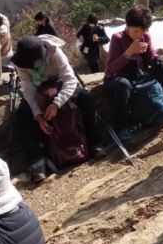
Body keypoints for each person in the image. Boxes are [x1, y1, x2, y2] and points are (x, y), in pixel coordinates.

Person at [12, 36, 106, 182]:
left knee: (85, 98)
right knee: (23, 113)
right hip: (38, 89)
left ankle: (94, 143)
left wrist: (56, 104)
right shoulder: (22, 62)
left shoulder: (54, 51)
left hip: (60, 84)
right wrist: (38, 116)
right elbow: (28, 90)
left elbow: (70, 79)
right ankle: (36, 161)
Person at [104, 5, 163, 143]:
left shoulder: (145, 36)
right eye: (136, 31)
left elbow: (151, 56)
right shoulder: (117, 38)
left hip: (139, 74)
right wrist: (128, 52)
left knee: (162, 68)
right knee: (123, 84)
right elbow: (111, 68)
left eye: (143, 31)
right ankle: (122, 127)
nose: (139, 35)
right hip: (119, 77)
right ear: (127, 26)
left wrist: (158, 60)